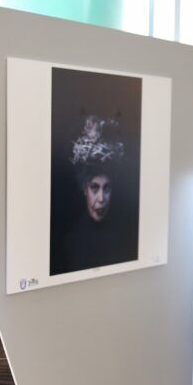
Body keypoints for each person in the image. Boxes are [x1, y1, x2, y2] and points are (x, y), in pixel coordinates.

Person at [52, 114, 134, 274]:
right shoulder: (71, 241)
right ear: (84, 189)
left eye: (107, 188)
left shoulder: (123, 237)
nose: (101, 198)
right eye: (94, 188)